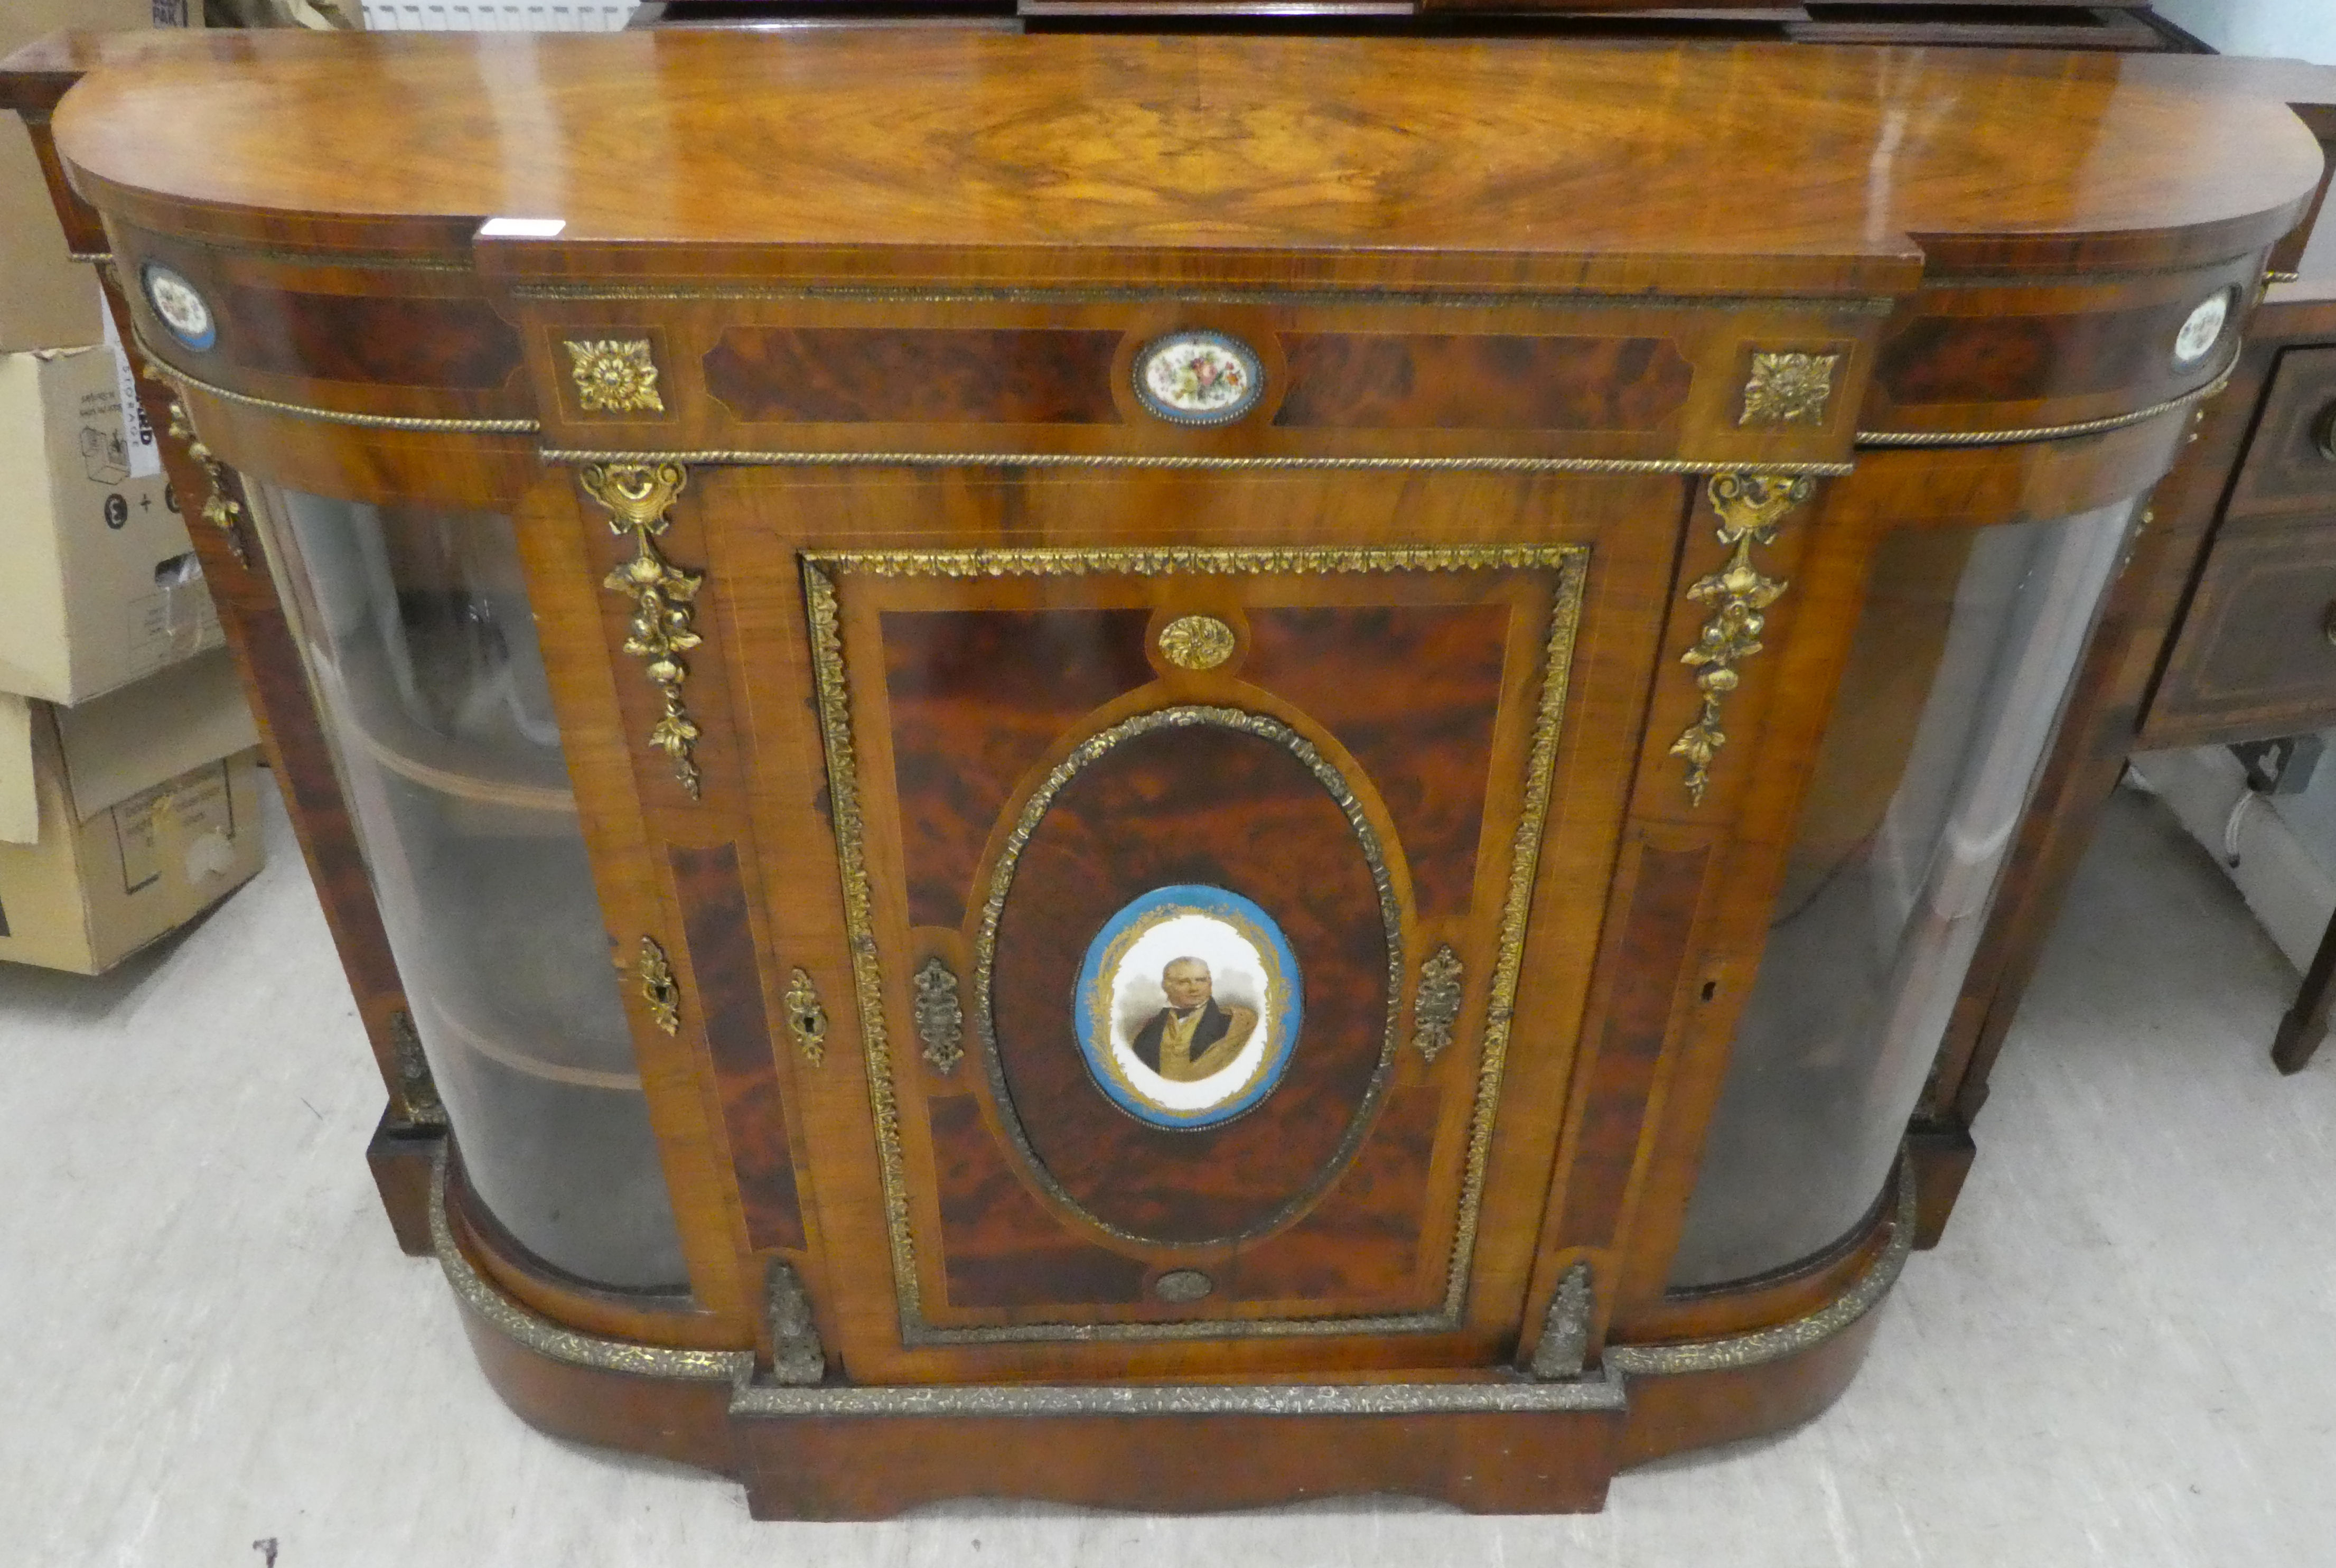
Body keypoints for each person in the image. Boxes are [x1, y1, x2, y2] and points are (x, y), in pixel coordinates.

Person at [1130, 956, 1257, 1082]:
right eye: (1184, 982)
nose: (1194, 989)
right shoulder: (1147, 1031)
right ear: (1166, 987)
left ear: (1210, 984)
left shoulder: (1234, 1025)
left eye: (1201, 980)